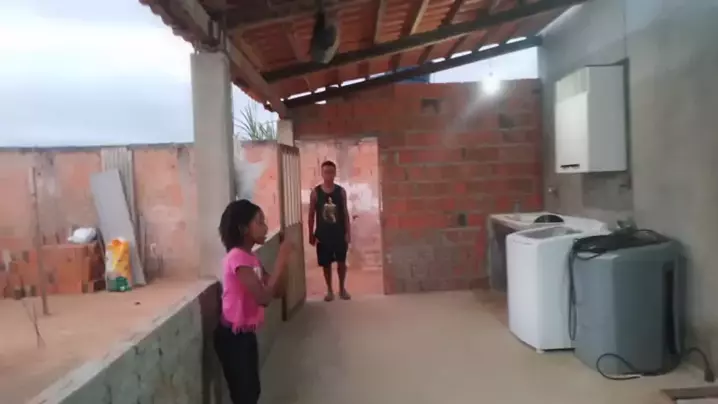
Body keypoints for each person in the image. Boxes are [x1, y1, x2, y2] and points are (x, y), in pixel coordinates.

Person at [214, 199, 292, 404]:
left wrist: (284, 264)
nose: (265, 227)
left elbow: (277, 291)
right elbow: (263, 298)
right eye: (260, 222)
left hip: (245, 334)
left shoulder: (252, 259)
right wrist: (280, 260)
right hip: (232, 337)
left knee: (252, 391)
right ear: (243, 229)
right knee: (244, 395)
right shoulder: (237, 258)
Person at [308, 160, 351, 302]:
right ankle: (329, 290)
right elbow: (311, 215)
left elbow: (345, 212)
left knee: (341, 262)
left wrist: (348, 232)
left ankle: (342, 289)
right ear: (322, 173)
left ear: (335, 173)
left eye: (331, 172)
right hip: (323, 234)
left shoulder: (341, 192)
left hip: (339, 233)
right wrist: (311, 234)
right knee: (326, 264)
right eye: (326, 172)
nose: (329, 175)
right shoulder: (316, 193)